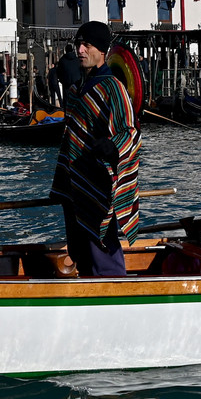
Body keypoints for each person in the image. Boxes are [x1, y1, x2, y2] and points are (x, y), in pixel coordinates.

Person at [50, 21, 142, 276]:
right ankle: (89, 292)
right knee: (79, 250)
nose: (80, 50)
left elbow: (130, 132)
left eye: (86, 45)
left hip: (98, 185)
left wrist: (111, 146)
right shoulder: (75, 90)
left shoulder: (114, 88)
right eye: (79, 44)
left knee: (102, 244)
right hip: (74, 183)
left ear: (101, 51)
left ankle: (114, 292)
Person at [55, 44, 84, 113]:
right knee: (77, 99)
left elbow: (59, 72)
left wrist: (62, 81)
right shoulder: (77, 60)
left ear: (65, 50)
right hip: (77, 82)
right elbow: (82, 70)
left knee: (66, 101)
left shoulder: (62, 60)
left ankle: (67, 115)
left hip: (66, 83)